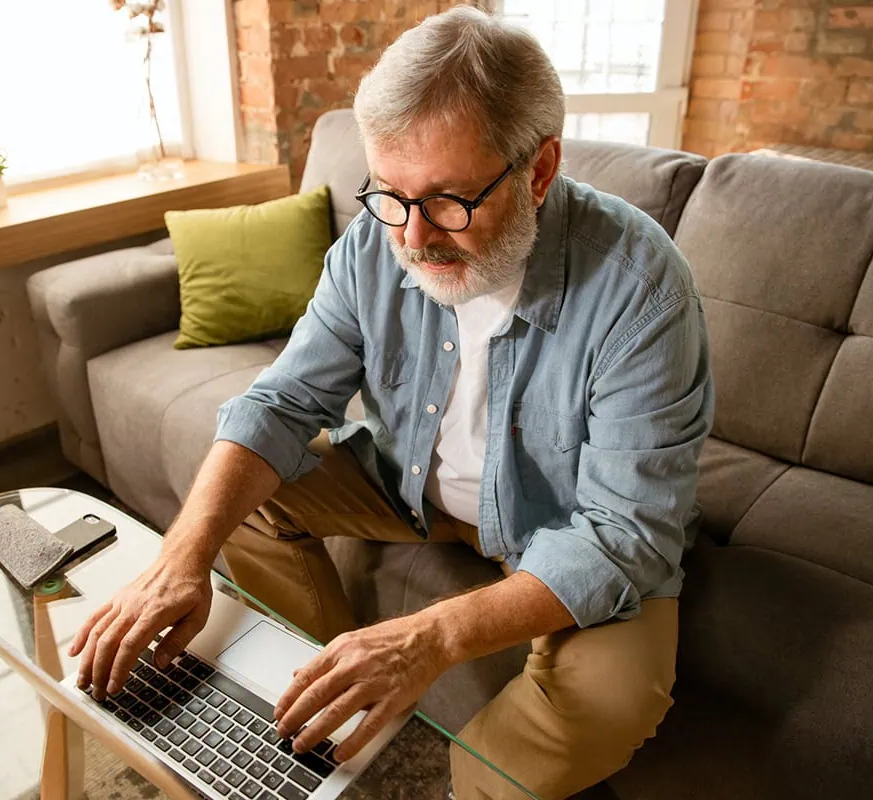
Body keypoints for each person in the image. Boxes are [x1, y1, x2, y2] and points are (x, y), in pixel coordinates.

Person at [69, 6, 713, 798]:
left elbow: (624, 536)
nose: (411, 238)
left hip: (569, 527)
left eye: (448, 201)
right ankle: (332, 692)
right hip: (413, 488)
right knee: (244, 502)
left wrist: (430, 636)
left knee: (605, 705)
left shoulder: (641, 287)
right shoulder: (377, 241)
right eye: (389, 196)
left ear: (539, 172)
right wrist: (179, 558)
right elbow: (280, 403)